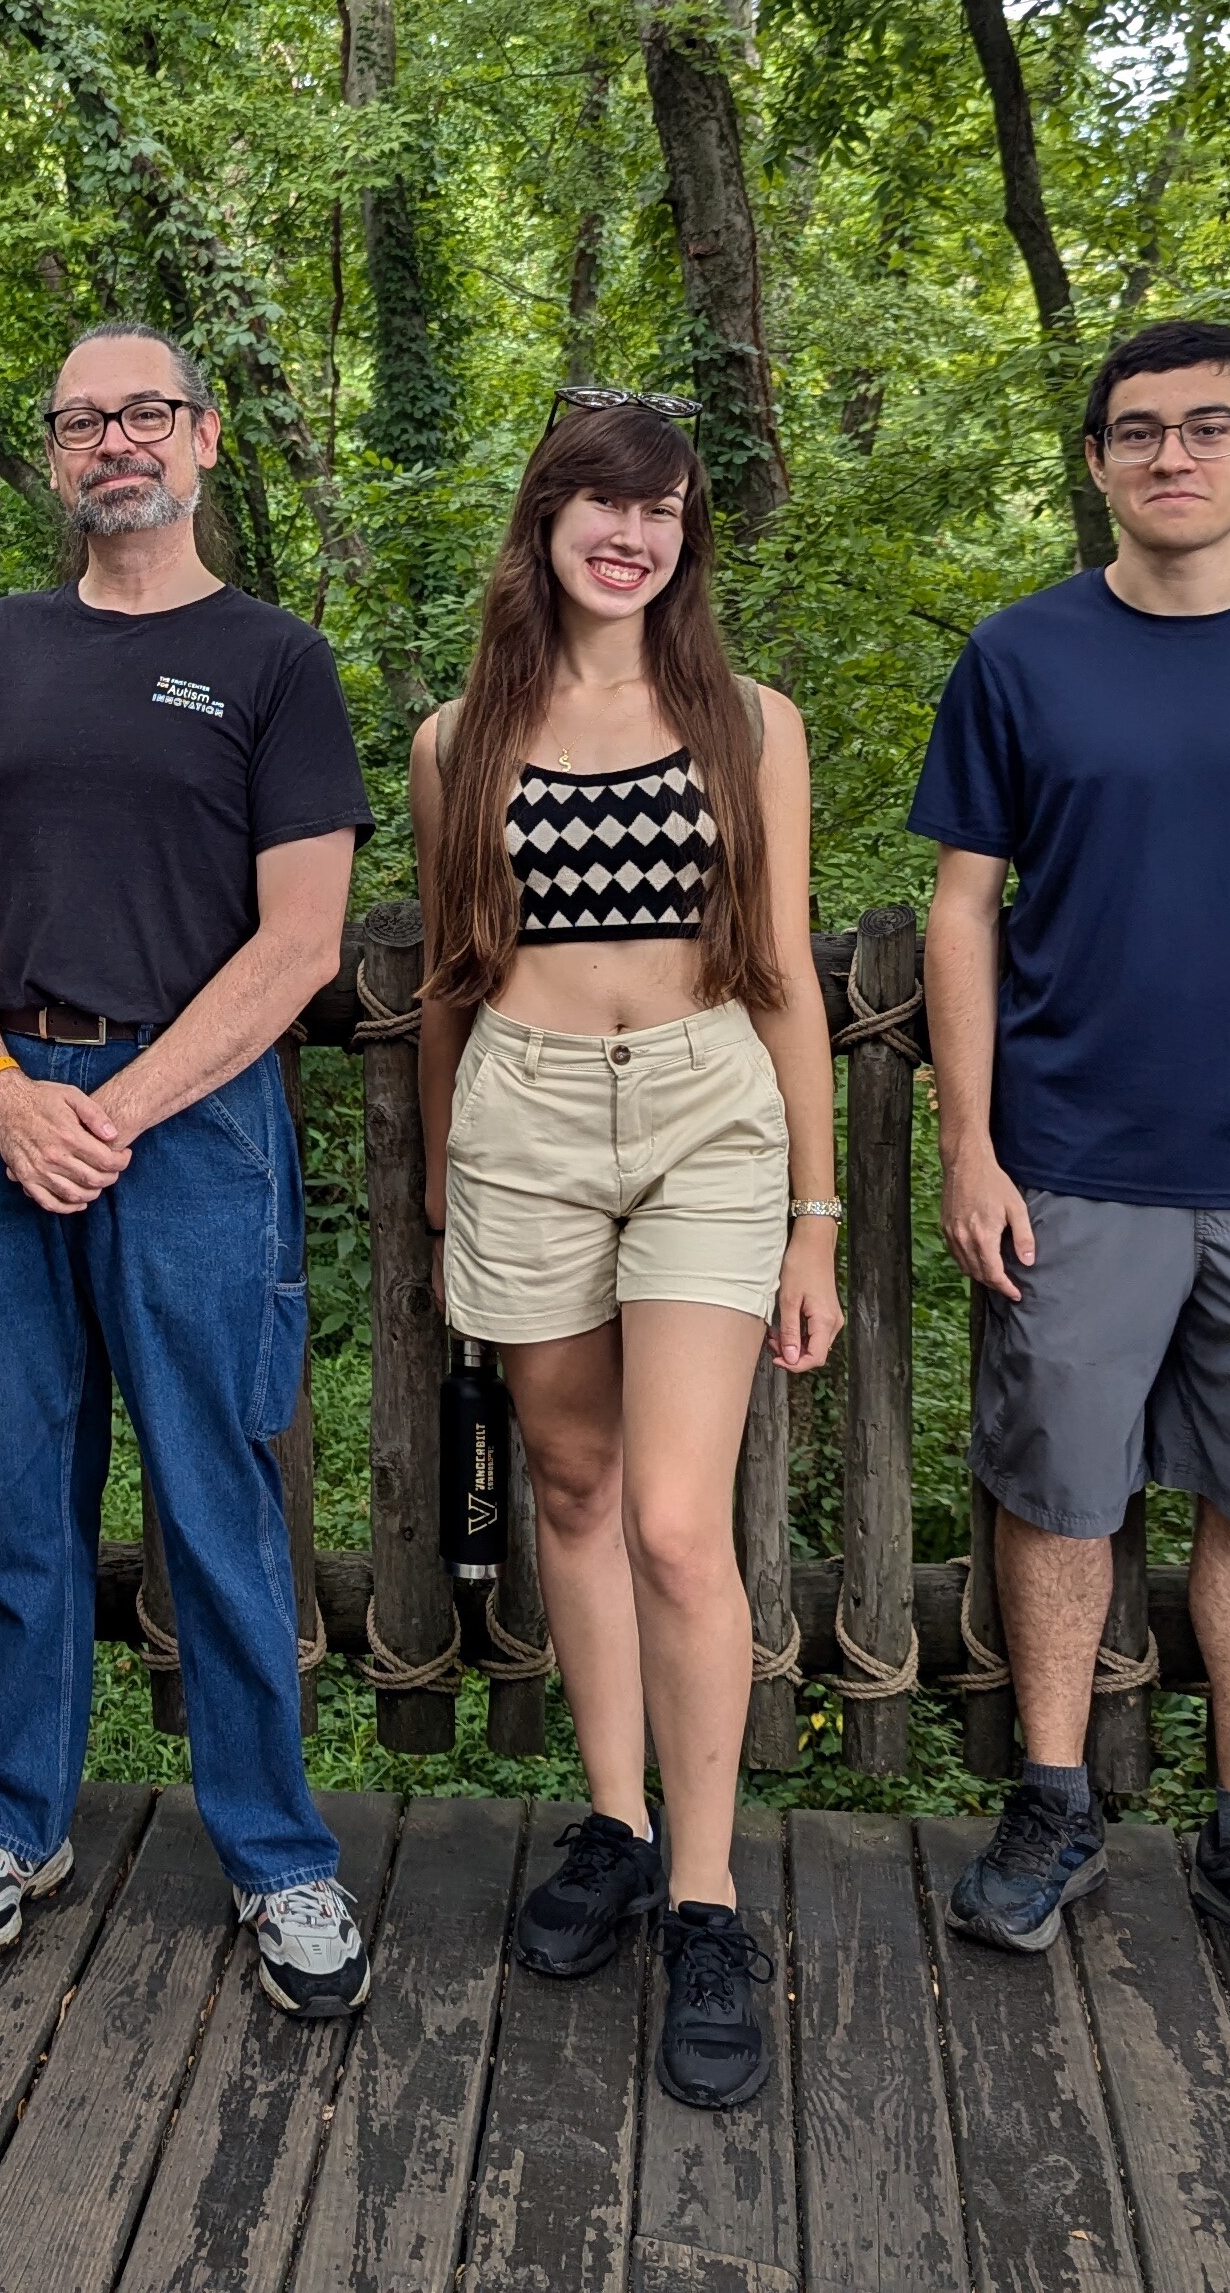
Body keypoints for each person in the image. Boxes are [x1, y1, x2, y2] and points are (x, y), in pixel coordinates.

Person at [918, 319, 1230, 2004]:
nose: (1172, 457)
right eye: (1137, 433)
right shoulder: (1021, 657)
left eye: (1208, 430)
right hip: (1071, 1157)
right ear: (1096, 463)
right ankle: (1053, 1801)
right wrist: (972, 1146)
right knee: (1061, 1493)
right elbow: (961, 911)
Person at [0, 323, 375, 2018]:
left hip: (197, 1114)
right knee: (22, 1490)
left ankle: (278, 1854)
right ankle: (9, 1824)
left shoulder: (275, 660)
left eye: (146, 412)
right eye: (83, 416)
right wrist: (10, 1090)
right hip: (8, 1099)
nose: (117, 440)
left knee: (215, 1494)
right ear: (51, 454)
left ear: (207, 436)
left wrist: (123, 1107)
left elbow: (302, 941)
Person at [404, 388, 841, 2107]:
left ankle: (712, 1901)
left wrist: (812, 1214)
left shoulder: (746, 721)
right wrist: (451, 1169)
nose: (633, 529)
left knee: (674, 1518)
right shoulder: (463, 738)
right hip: (521, 1112)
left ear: (687, 540)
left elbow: (787, 970)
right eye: (603, 498)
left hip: (705, 1119)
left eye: (663, 506)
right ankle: (613, 1819)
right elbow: (451, 972)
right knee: (568, 1496)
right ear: (548, 520)